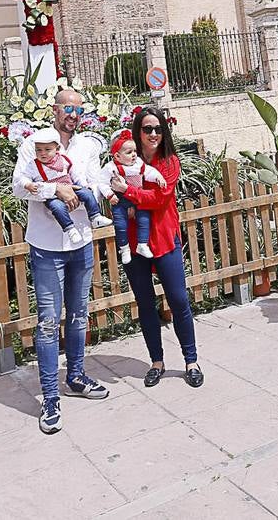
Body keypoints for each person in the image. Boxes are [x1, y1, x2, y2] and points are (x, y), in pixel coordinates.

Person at [12, 89, 113, 435]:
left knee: (79, 314)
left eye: (78, 108)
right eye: (66, 108)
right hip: (46, 245)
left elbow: (95, 184)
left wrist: (107, 187)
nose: (72, 113)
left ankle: (76, 376)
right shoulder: (34, 144)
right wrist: (55, 190)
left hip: (81, 239)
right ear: (54, 109)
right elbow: (18, 187)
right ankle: (50, 397)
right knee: (47, 321)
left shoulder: (86, 145)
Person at [110, 106, 204, 388]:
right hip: (135, 242)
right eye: (147, 129)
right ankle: (157, 362)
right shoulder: (123, 162)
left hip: (164, 238)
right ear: (138, 132)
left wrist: (128, 192)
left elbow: (159, 199)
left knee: (178, 300)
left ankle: (191, 360)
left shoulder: (169, 162)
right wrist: (124, 197)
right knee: (146, 304)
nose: (153, 134)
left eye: (158, 129)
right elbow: (111, 192)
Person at [15, 126, 106, 244]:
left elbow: (77, 174)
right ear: (55, 109)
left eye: (47, 149)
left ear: (56, 149)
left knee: (87, 193)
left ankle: (95, 217)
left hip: (83, 236)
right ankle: (69, 229)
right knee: (57, 207)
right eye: (39, 150)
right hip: (46, 240)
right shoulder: (32, 162)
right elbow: (19, 183)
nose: (43, 153)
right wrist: (50, 188)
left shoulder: (73, 153)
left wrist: (83, 186)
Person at [107, 128, 164, 264]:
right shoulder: (113, 168)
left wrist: (159, 177)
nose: (133, 155)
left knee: (144, 219)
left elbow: (149, 172)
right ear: (117, 156)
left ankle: (142, 244)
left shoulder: (138, 164)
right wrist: (109, 195)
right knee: (120, 224)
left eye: (134, 151)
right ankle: (124, 248)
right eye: (129, 152)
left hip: (137, 199)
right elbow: (101, 182)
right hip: (121, 201)